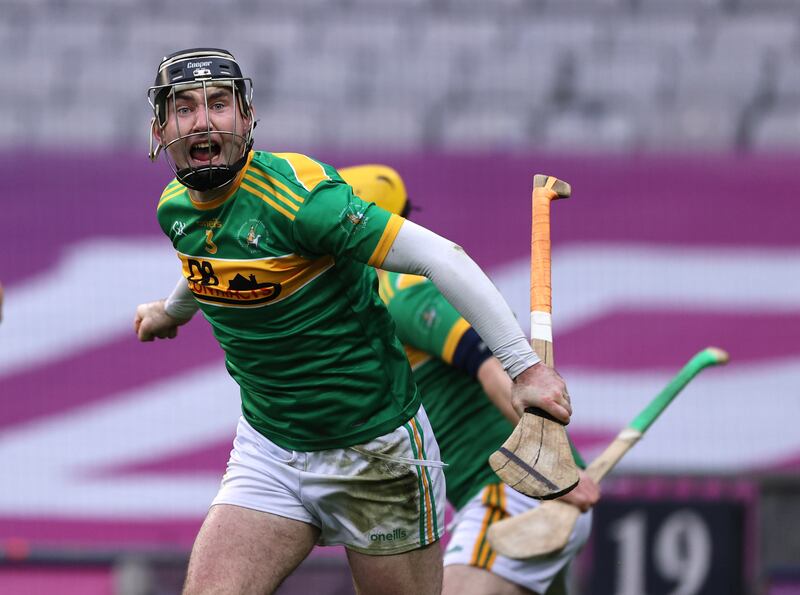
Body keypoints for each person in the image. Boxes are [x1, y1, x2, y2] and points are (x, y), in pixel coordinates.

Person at [135, 48, 573, 595]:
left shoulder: (302, 200)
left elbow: (443, 258)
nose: (203, 121)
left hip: (376, 454)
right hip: (269, 449)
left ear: (246, 117)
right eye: (184, 108)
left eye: (218, 104)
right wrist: (170, 312)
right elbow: (208, 259)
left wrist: (525, 369)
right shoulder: (174, 207)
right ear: (160, 129)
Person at [340, 164, 600, 595]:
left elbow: (498, 369)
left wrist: (555, 467)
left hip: (515, 492)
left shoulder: (405, 288)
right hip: (514, 494)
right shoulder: (369, 300)